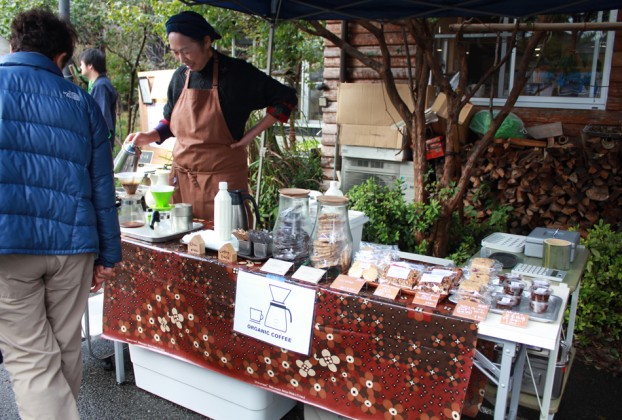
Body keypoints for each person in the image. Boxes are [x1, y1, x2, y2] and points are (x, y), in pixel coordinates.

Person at [0, 8, 122, 420]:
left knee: (30, 357)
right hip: (74, 245)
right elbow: (102, 186)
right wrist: (108, 255)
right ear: (60, 59)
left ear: (15, 46)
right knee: (65, 345)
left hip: (8, 245)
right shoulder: (82, 103)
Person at [125, 10, 297, 221]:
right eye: (175, 52)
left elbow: (286, 98)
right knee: (183, 243)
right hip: (182, 182)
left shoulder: (236, 74)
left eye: (186, 51)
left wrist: (250, 136)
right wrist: (148, 136)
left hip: (223, 184)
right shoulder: (180, 77)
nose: (181, 59)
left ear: (206, 42)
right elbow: (170, 122)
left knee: (227, 246)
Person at [80, 48, 118, 149]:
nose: (80, 67)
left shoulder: (101, 86)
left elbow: (102, 118)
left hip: (100, 145)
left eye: (81, 64)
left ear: (90, 65)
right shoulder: (98, 84)